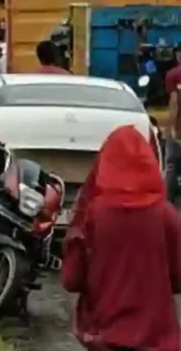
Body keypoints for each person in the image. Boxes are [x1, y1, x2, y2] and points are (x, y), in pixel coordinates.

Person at [62, 125, 181, 351]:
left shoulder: (92, 214)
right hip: (158, 340)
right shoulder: (167, 216)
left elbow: (71, 280)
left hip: (105, 337)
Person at [165, 44, 181, 202]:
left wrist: (172, 128)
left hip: (179, 127)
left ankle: (168, 203)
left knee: (171, 165)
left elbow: (174, 102)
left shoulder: (174, 75)